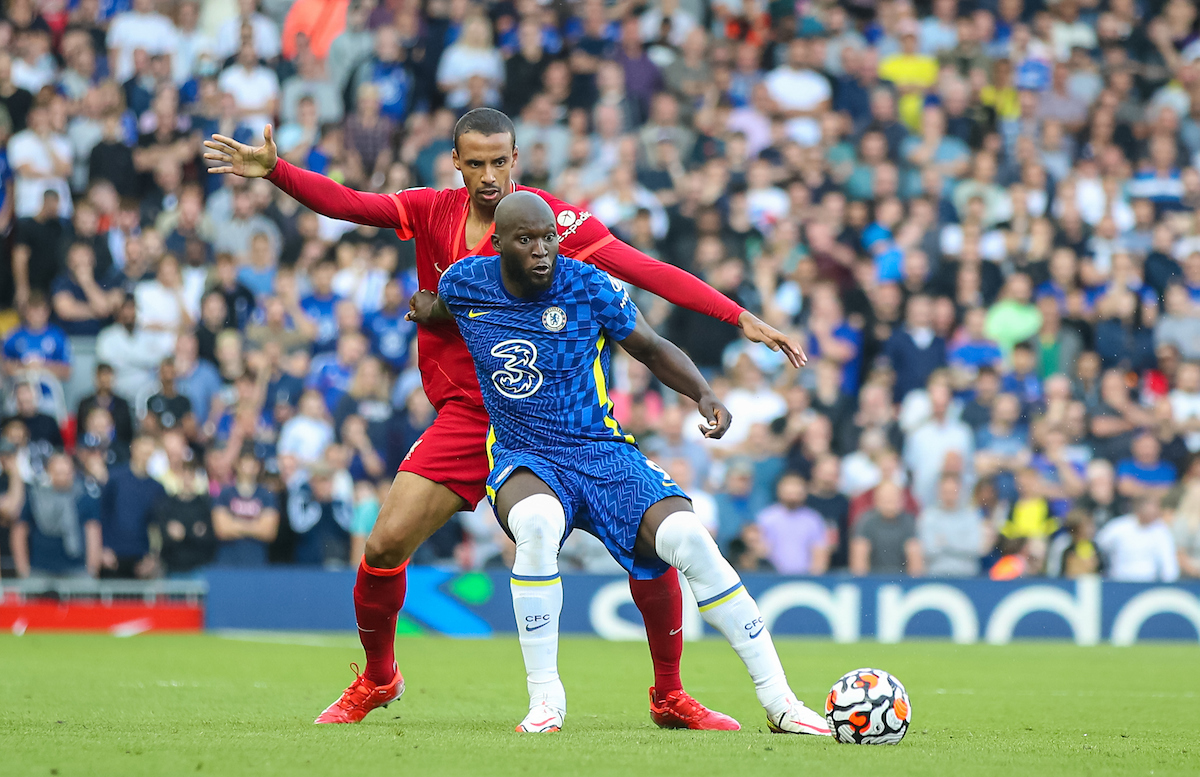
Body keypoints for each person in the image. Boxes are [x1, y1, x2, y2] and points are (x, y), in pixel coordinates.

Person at [204, 107, 801, 726]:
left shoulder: (547, 224)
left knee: (655, 542)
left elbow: (642, 269)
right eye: (477, 163)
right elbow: (352, 204)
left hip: (556, 420)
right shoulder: (433, 211)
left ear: (515, 159)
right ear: (456, 162)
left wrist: (738, 317)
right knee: (382, 545)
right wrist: (277, 171)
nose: (489, 176)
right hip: (470, 414)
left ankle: (669, 693)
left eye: (500, 162)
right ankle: (380, 679)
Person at [419, 191, 829, 735]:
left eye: (549, 237)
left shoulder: (587, 285)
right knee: (536, 526)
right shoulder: (466, 282)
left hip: (601, 450)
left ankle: (781, 704)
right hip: (524, 454)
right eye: (527, 240)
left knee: (690, 537)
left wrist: (703, 394)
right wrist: (424, 308)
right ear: (498, 245)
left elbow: (652, 347)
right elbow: (441, 307)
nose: (542, 250)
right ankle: (546, 702)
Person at [10, 453, 103, 577]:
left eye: (66, 473)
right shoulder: (35, 497)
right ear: (49, 473)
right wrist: (23, 569)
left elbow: (93, 532)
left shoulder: (84, 497)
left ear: (73, 473)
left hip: (77, 569)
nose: (62, 477)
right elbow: (19, 532)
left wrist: (92, 569)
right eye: (58, 473)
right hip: (39, 570)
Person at [99, 436, 167, 578]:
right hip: (112, 556)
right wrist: (103, 548)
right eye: (143, 450)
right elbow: (102, 514)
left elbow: (157, 525)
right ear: (134, 448)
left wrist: (152, 558)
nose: (145, 456)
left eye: (149, 452)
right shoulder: (115, 479)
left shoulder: (157, 488)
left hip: (141, 559)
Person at [753, 472, 830, 575]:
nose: (793, 495)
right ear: (779, 491)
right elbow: (760, 551)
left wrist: (815, 577)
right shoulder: (766, 518)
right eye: (789, 491)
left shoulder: (813, 519)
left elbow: (820, 553)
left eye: (797, 490)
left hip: (806, 578)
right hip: (772, 577)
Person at [213, 448, 279, 566]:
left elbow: (268, 531)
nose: (249, 467)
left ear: (258, 466)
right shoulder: (225, 494)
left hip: (257, 561)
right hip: (228, 562)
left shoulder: (267, 495)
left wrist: (234, 524)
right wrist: (255, 526)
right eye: (245, 462)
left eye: (252, 463)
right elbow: (222, 529)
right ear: (237, 464)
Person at [1095, 495, 1180, 582]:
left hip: (1148, 584)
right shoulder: (1119, 527)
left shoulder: (1161, 531)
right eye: (1151, 507)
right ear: (1138, 509)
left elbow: (1169, 563)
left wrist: (1169, 583)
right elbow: (1098, 545)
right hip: (1119, 581)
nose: (1155, 511)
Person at [849, 481, 924, 576]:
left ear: (902, 500)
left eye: (894, 497)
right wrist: (864, 583)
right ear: (876, 500)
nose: (890, 501)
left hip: (902, 579)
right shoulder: (866, 521)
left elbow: (915, 559)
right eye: (886, 498)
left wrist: (913, 582)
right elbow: (859, 559)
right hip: (873, 579)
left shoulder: (909, 522)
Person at [918, 473, 983, 577]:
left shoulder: (971, 516)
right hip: (936, 575)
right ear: (938, 492)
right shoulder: (928, 516)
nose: (949, 496)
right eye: (945, 492)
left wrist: (945, 542)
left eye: (953, 492)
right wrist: (960, 542)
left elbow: (975, 548)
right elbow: (929, 550)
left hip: (968, 576)